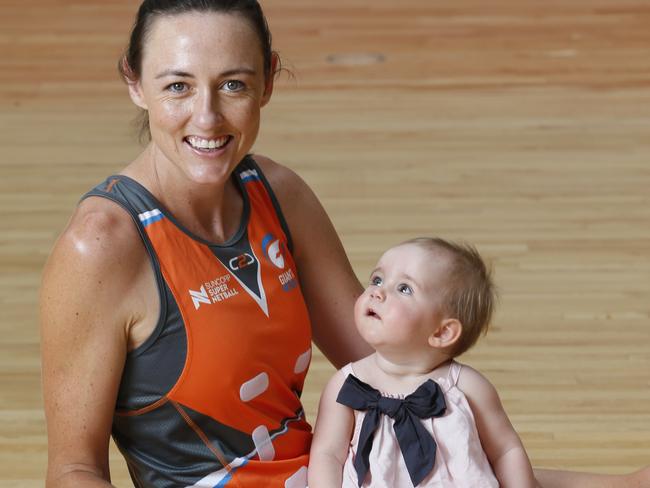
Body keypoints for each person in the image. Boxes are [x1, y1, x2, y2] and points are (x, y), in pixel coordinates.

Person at [39, 1, 649, 487]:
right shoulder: (103, 246)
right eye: (177, 86)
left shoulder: (277, 193)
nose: (207, 117)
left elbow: (395, 362)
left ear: (269, 80)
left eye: (233, 84)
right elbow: (73, 471)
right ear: (135, 83)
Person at [308, 238, 537, 487]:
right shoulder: (348, 386)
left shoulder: (466, 387)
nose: (377, 291)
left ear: (442, 333)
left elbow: (506, 450)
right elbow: (327, 455)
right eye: (377, 279)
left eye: (404, 288)